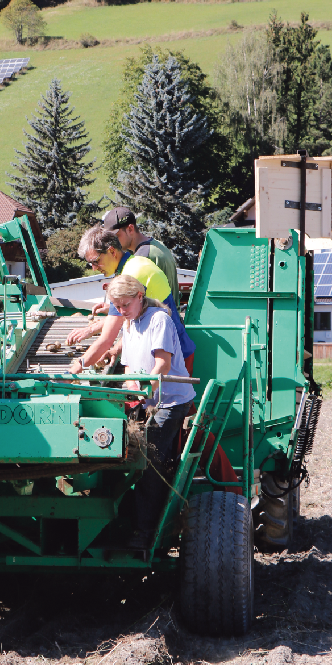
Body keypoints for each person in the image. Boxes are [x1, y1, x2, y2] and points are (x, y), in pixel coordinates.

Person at [100, 274, 195, 553]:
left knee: (147, 459)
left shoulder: (159, 320)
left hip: (170, 400)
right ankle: (121, 522)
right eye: (116, 306)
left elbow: (162, 365)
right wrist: (130, 391)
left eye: (125, 305)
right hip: (147, 399)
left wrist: (141, 390)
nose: (121, 311)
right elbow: (129, 368)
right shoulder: (129, 323)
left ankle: (146, 532)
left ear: (139, 296)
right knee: (119, 451)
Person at [66, 226, 196, 372]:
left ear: (111, 251)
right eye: (91, 264)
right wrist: (116, 350)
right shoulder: (137, 262)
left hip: (170, 361)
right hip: (175, 351)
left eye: (96, 261)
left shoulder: (130, 276)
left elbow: (106, 339)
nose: (94, 268)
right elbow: (138, 319)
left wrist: (72, 371)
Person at [102, 206, 180, 307]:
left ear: (130, 229)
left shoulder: (143, 257)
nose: (113, 243)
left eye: (116, 236)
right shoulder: (156, 245)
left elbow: (136, 305)